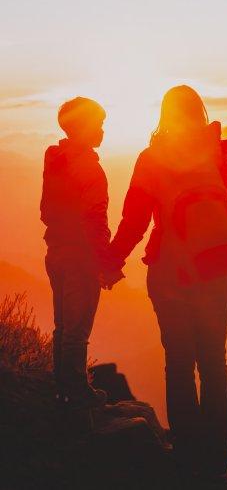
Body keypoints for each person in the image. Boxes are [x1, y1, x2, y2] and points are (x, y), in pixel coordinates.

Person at [109, 85, 227, 484]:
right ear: (199, 112)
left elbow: (134, 220)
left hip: (168, 275)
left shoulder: (152, 160)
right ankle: (217, 458)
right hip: (213, 274)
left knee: (179, 365)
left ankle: (186, 453)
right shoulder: (221, 153)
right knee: (215, 365)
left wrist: (111, 263)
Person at [41, 97, 125, 410]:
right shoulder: (89, 169)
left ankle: (62, 389)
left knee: (63, 326)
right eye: (99, 124)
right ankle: (76, 394)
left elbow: (47, 209)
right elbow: (95, 222)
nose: (103, 130)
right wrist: (107, 265)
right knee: (77, 330)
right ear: (85, 127)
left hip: (56, 251)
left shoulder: (56, 160)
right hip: (80, 257)